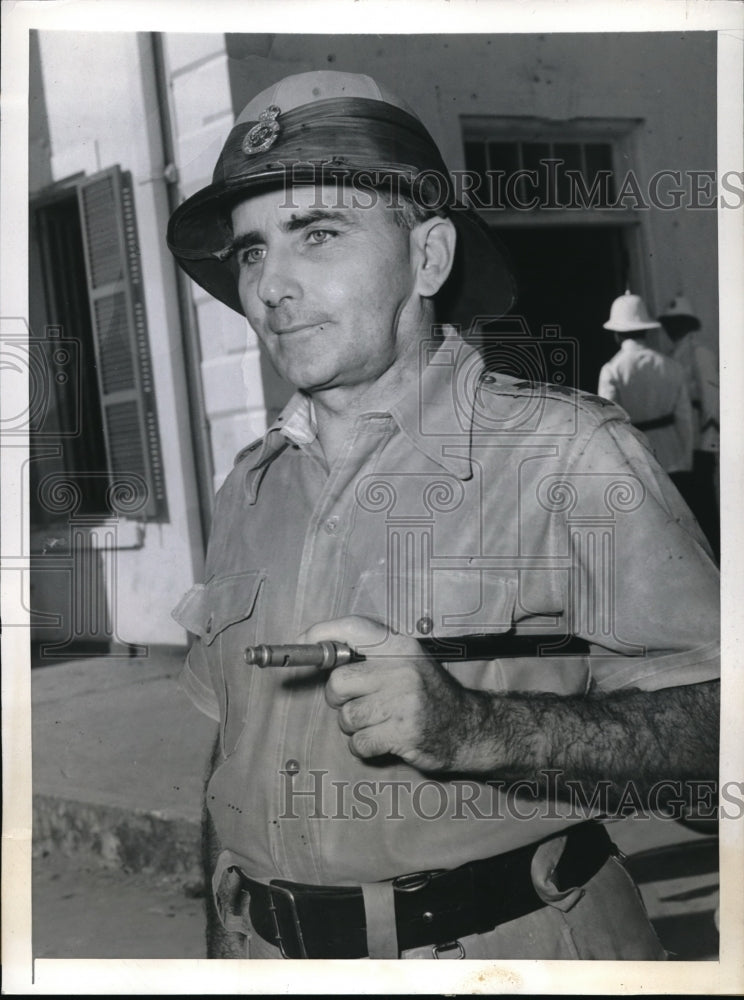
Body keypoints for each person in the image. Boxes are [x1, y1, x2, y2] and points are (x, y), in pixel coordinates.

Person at [167, 71, 719, 961]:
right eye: (253, 251)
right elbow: (230, 753)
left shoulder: (570, 455)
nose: (269, 286)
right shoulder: (251, 488)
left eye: (317, 234)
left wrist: (473, 730)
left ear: (427, 259)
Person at [597, 291, 694, 496]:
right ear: (646, 331)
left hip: (637, 460)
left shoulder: (612, 370)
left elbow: (610, 424)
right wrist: (686, 458)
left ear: (617, 334)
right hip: (674, 457)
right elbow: (685, 419)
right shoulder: (671, 366)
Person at [657, 295, 720, 560]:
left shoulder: (698, 351)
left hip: (701, 438)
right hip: (685, 436)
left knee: (704, 499)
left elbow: (711, 396)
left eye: (677, 322)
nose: (672, 328)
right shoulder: (674, 354)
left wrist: (708, 439)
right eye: (669, 323)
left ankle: (717, 553)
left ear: (687, 323)